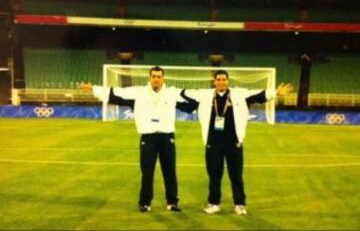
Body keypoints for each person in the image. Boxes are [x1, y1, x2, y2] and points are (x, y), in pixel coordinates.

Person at [79, 66, 197, 212]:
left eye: (159, 76)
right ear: (149, 77)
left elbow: (192, 103)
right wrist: (93, 89)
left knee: (170, 171)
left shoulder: (172, 93)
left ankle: (172, 202)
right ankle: (145, 202)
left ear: (163, 78)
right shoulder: (138, 92)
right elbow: (115, 94)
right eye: (153, 76)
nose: (156, 79)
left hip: (167, 137)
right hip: (148, 137)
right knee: (147, 171)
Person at [183, 70, 292, 215]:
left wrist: (275, 92)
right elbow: (184, 93)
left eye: (224, 79)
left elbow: (259, 95)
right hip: (213, 143)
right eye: (218, 79)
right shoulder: (205, 95)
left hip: (233, 143)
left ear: (228, 81)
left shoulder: (239, 94)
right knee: (214, 175)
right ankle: (214, 203)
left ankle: (239, 204)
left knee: (236, 176)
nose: (221, 82)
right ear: (214, 81)